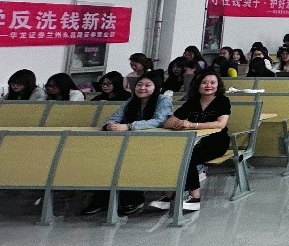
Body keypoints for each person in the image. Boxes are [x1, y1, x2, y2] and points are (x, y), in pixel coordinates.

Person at [81, 72, 175, 216]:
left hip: (154, 144)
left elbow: (159, 121)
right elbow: (114, 117)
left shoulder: (163, 100)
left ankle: (133, 199)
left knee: (131, 161)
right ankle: (102, 199)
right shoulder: (131, 101)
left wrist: (129, 126)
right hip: (128, 142)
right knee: (104, 159)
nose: (142, 88)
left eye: (147, 85)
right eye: (139, 85)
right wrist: (109, 125)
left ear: (156, 87)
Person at [151, 70, 231, 213]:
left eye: (213, 83)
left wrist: (192, 125)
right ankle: (169, 194)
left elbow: (220, 124)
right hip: (192, 141)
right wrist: (179, 124)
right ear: (197, 85)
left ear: (218, 85)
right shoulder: (192, 102)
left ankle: (195, 197)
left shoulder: (222, 101)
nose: (208, 86)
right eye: (204, 82)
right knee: (171, 155)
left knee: (189, 157)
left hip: (216, 142)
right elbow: (168, 123)